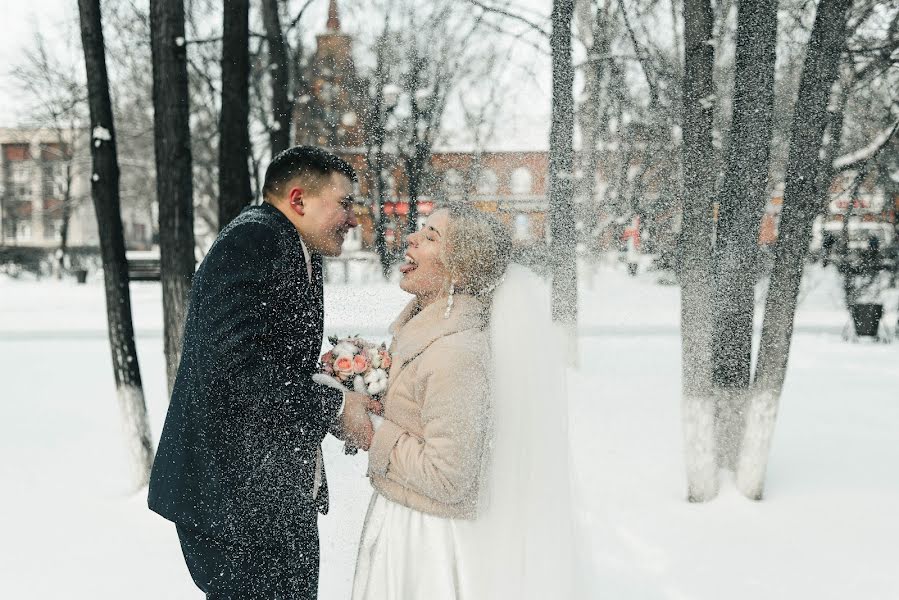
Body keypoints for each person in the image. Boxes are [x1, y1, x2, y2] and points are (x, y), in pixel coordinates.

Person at [148, 146, 380, 599]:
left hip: (265, 499)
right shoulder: (254, 242)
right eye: (344, 203)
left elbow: (268, 361)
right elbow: (234, 371)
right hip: (234, 507)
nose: (353, 218)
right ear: (298, 200)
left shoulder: (290, 244)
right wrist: (334, 406)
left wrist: (338, 379)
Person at [351, 205, 577, 599]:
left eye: (431, 237)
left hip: (427, 547)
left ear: (459, 270)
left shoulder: (456, 353)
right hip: (405, 521)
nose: (411, 239)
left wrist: (372, 434)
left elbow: (449, 477)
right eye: (419, 230)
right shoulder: (424, 334)